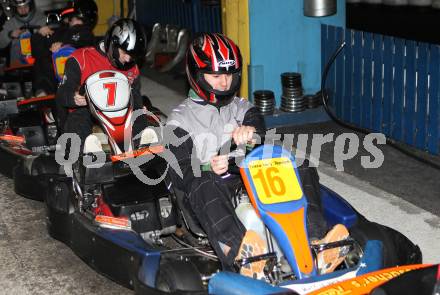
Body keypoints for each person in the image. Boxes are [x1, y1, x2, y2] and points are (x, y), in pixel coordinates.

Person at [166, 33, 349, 277]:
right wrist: (208, 167)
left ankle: (315, 242)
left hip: (250, 179)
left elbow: (259, 131)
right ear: (197, 75)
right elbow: (181, 172)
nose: (224, 83)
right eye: (216, 76)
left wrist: (251, 132)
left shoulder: (242, 108)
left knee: (301, 165)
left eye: (230, 75)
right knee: (202, 182)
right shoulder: (179, 120)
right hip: (214, 190)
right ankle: (244, 257)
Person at [55, 18, 149, 149]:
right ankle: (85, 153)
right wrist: (74, 97)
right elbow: (62, 93)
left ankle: (145, 148)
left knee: (140, 114)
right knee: (79, 117)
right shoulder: (81, 58)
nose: (128, 59)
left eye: (132, 55)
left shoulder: (131, 68)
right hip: (88, 114)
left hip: (121, 116)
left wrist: (139, 108)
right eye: (125, 53)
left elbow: (136, 97)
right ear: (112, 45)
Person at [31, 0, 98, 96]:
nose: (72, 21)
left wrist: (64, 45)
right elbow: (38, 52)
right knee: (42, 60)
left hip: (79, 76)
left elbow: (83, 44)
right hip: (58, 78)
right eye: (71, 18)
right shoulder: (62, 32)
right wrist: (40, 34)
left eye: (76, 19)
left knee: (67, 53)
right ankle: (43, 92)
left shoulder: (86, 34)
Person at [0, 0, 49, 65]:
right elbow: (0, 44)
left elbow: (53, 41)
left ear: (31, 6)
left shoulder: (42, 19)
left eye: (25, 6)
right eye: (19, 8)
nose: (23, 10)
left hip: (40, 65)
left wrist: (44, 33)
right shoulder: (11, 23)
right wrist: (10, 35)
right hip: (18, 68)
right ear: (15, 9)